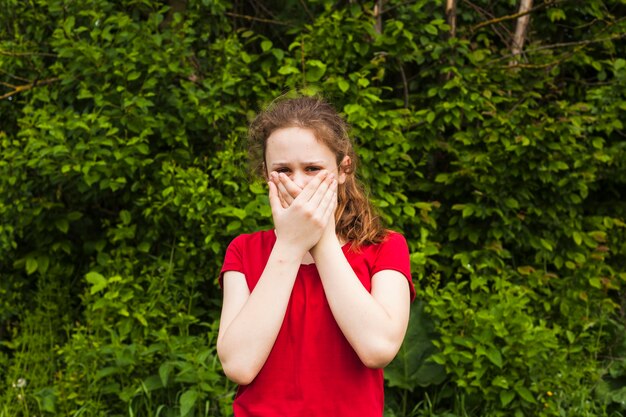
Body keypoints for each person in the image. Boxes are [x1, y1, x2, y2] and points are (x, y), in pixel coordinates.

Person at [217, 95, 415, 417]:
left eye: (312, 169)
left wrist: (319, 238)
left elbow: (377, 349)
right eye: (283, 170)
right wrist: (290, 246)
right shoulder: (245, 250)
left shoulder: (385, 247)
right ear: (265, 174)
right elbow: (238, 365)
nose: (298, 184)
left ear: (343, 169)